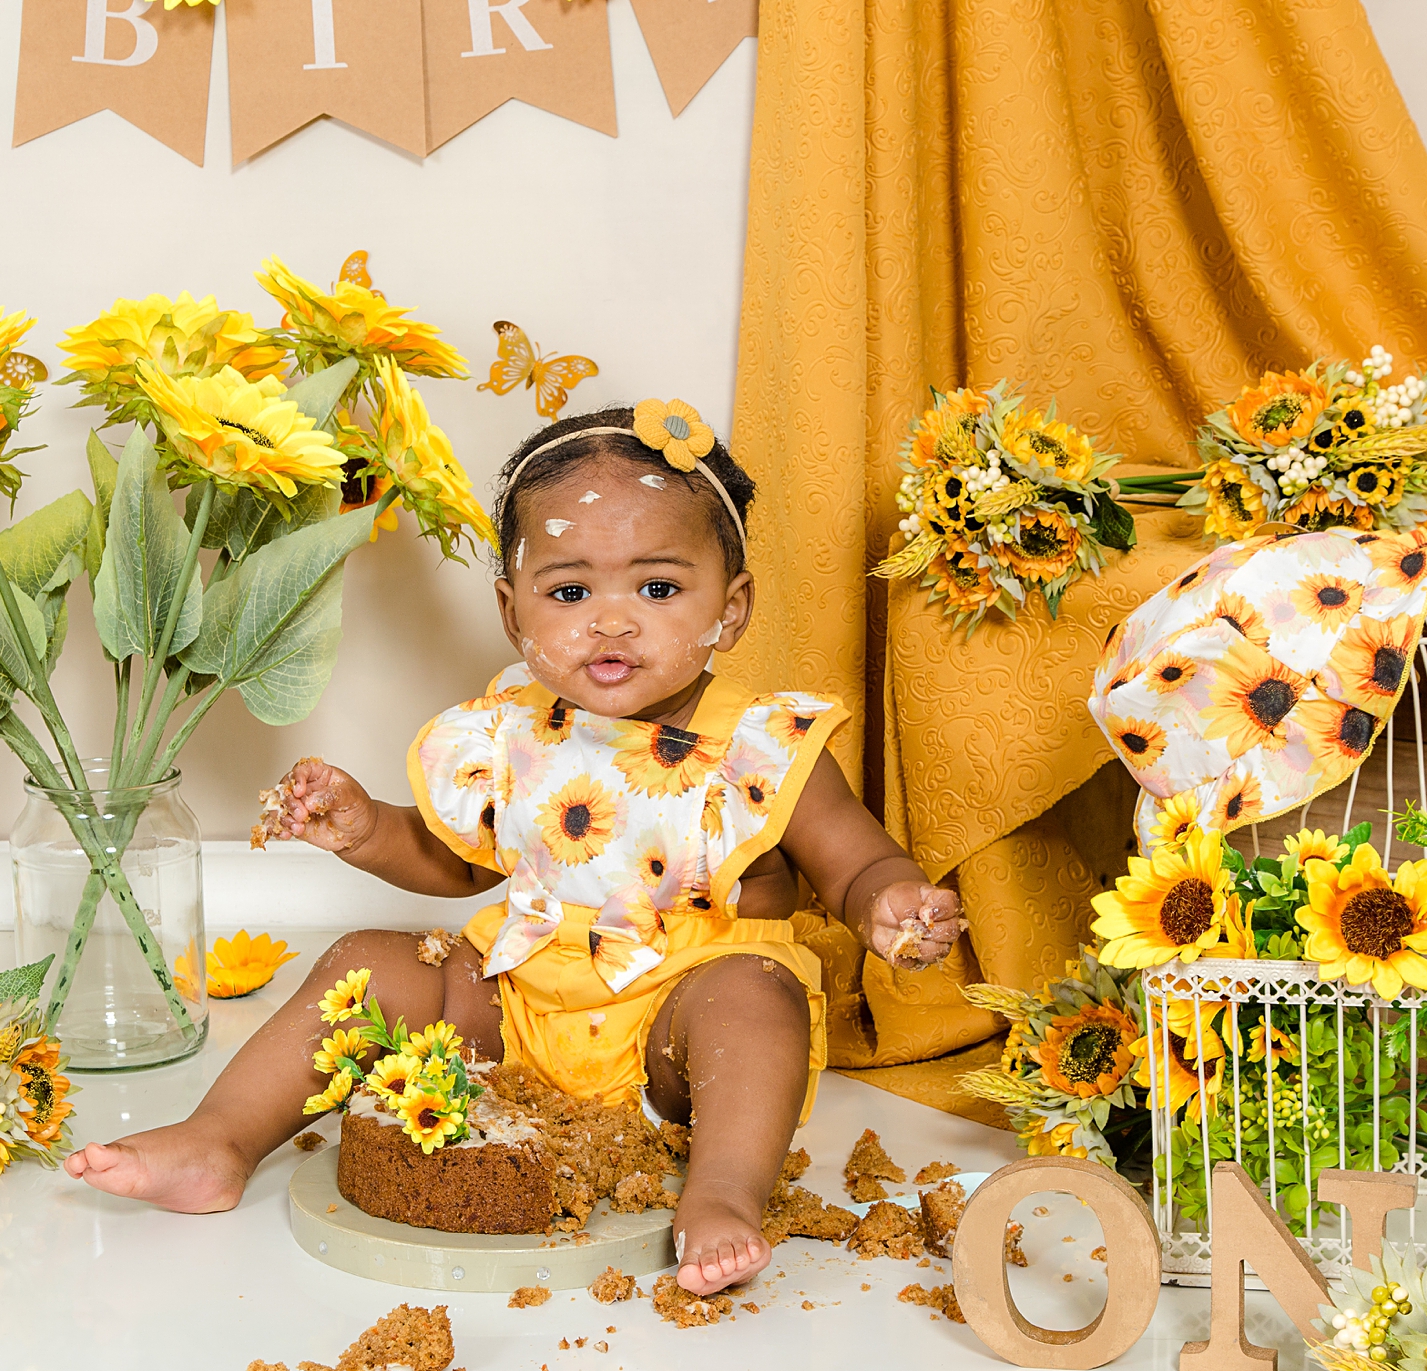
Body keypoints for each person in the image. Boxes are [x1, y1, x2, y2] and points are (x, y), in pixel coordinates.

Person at [66, 400, 964, 1292]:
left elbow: (854, 861)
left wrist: (888, 900)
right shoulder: (506, 733)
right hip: (518, 1010)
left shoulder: (762, 747)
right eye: (570, 593)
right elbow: (458, 864)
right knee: (365, 962)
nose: (611, 622)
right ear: (512, 609)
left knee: (755, 996)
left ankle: (725, 1189)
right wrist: (370, 830)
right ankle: (220, 1139)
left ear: (730, 610)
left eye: (657, 589)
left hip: (678, 1030)